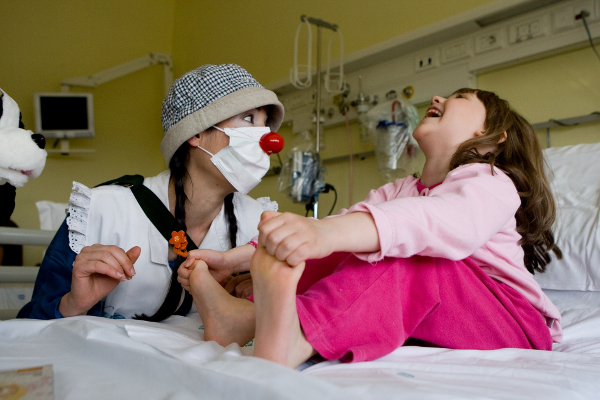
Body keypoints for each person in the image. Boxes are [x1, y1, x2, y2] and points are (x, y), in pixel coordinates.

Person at [179, 88, 563, 368]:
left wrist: (326, 235)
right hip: (447, 315)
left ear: (493, 136)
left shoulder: (490, 181)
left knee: (405, 249)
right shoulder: (400, 190)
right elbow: (335, 228)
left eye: (459, 97)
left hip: (512, 323)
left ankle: (297, 339)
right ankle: (242, 318)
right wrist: (238, 259)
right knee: (346, 242)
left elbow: (439, 223)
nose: (437, 98)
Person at [18, 64, 284, 320]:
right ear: (196, 133)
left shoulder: (260, 224)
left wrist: (266, 295)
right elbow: (32, 324)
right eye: (249, 118)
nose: (268, 139)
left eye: (266, 125)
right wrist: (74, 304)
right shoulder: (100, 211)